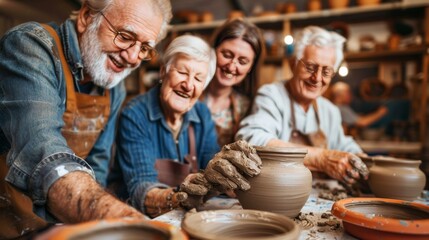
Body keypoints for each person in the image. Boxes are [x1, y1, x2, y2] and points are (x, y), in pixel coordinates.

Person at [0, 0, 172, 238]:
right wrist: (131, 223)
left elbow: (97, 167)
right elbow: (42, 152)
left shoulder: (113, 84)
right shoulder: (30, 46)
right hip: (10, 223)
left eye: (144, 48)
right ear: (86, 17)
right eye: (124, 36)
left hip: (62, 223)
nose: (133, 57)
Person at [111, 35, 262, 218]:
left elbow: (211, 166)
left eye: (198, 79)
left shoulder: (201, 113)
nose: (188, 85)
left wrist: (228, 175)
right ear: (163, 72)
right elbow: (141, 188)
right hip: (138, 218)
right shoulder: (135, 114)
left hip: (185, 214)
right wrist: (181, 196)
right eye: (182, 72)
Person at [236, 26, 369, 185]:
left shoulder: (329, 110)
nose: (317, 78)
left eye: (326, 72)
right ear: (293, 64)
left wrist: (364, 160)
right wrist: (320, 158)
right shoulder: (272, 95)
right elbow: (252, 139)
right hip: (279, 194)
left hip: (320, 197)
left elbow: (343, 145)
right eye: (310, 67)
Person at [200, 18, 265, 147]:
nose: (231, 67)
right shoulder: (190, 91)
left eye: (242, 61)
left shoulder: (249, 108)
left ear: (251, 67)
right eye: (227, 55)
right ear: (213, 50)